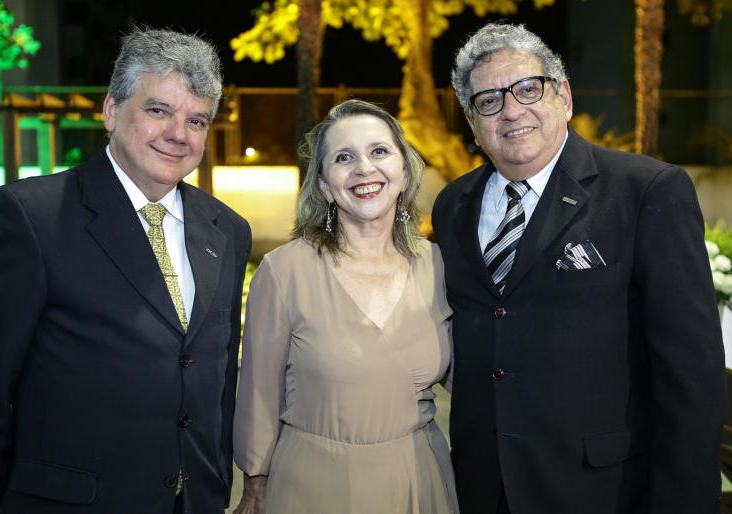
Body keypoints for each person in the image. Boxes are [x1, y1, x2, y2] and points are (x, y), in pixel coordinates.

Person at [0, 28, 251, 514]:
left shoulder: (227, 231)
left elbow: (217, 381)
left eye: (196, 120)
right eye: (158, 110)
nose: (178, 134)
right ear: (110, 110)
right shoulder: (31, 217)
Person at [432, 22, 725, 514]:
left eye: (528, 88)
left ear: (563, 96)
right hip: (482, 487)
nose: (512, 110)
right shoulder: (452, 206)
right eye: (489, 100)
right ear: (472, 122)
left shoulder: (645, 191)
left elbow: (691, 373)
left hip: (603, 491)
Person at [232, 99, 457, 514]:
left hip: (420, 482)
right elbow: (259, 396)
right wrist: (255, 483)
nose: (364, 168)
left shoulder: (440, 267)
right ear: (323, 185)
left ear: (405, 172)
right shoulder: (285, 271)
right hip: (315, 486)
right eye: (343, 158)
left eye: (379, 151)